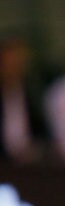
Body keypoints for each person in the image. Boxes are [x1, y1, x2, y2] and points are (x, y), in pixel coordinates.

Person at [0, 36, 48, 165]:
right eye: (9, 62)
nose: (14, 66)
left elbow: (42, 133)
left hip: (27, 167)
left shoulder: (33, 94)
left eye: (18, 61)